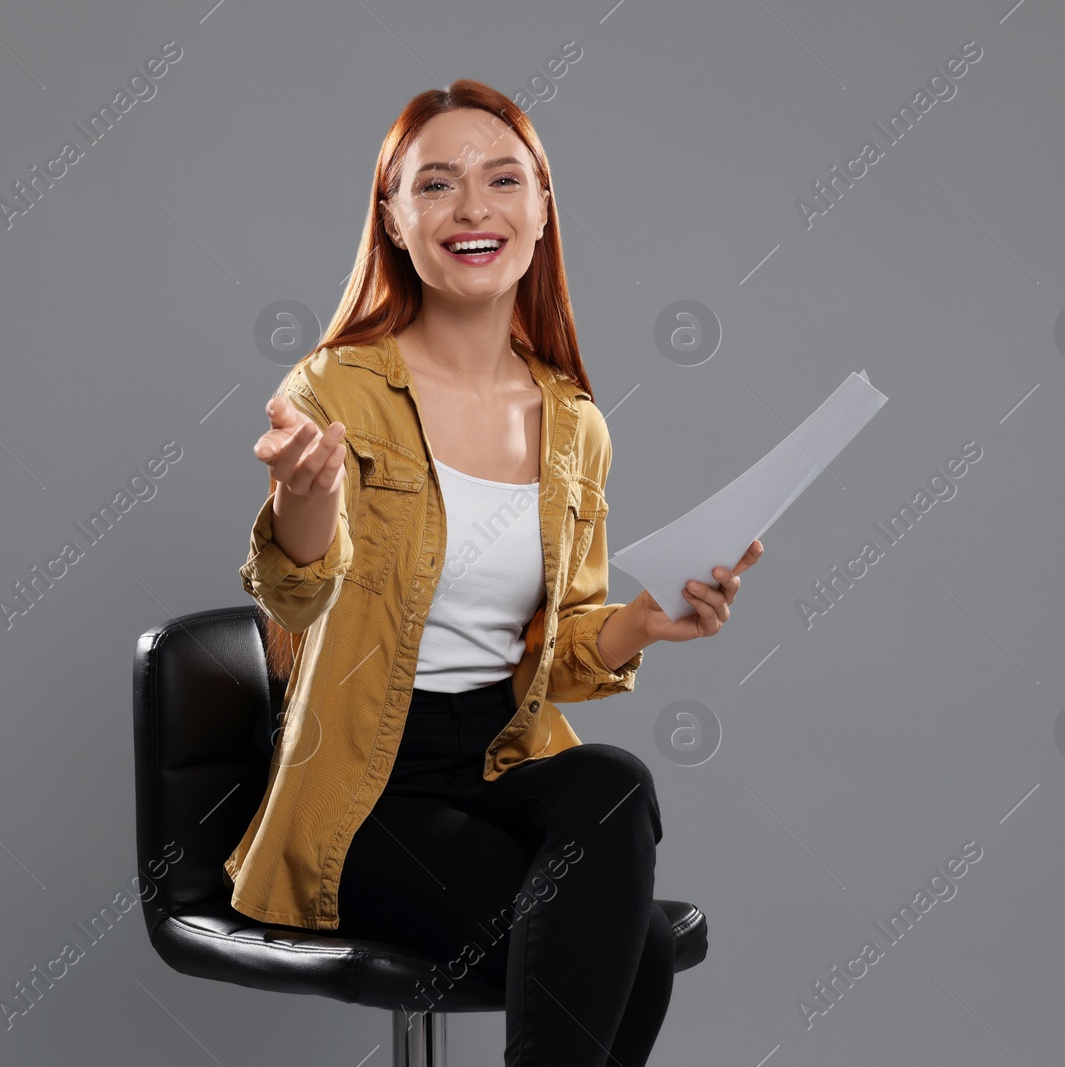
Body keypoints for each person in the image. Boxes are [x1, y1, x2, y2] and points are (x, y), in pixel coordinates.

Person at [235, 79, 763, 1067]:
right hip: (362, 792)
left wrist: (643, 624)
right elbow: (292, 601)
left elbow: (556, 652)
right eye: (434, 184)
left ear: (541, 206)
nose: (472, 207)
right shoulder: (336, 385)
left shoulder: (575, 423)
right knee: (636, 941)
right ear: (393, 221)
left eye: (500, 178)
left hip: (498, 762)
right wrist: (301, 506)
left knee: (610, 778)